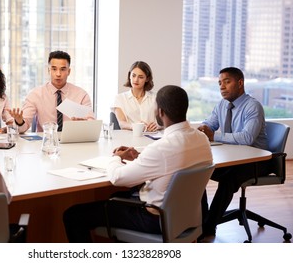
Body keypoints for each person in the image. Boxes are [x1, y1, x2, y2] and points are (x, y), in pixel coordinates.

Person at [63, 85, 213, 242]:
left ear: (160, 112)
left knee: (73, 215)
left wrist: (116, 157)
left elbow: (118, 178)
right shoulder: (201, 139)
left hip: (155, 219)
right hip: (186, 215)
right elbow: (173, 161)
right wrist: (142, 158)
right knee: (116, 197)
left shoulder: (161, 148)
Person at [197, 67, 268, 238]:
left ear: (240, 83)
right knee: (198, 171)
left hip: (257, 161)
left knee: (229, 178)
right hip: (234, 158)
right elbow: (210, 124)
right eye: (220, 83)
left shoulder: (253, 106)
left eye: (227, 82)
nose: (222, 86)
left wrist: (214, 135)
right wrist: (202, 129)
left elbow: (247, 138)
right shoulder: (222, 104)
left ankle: (208, 227)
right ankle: (202, 220)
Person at [10, 50, 94, 133]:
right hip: (46, 142)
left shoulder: (81, 94)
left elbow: (92, 125)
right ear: (48, 70)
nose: (58, 74)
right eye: (54, 69)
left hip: (74, 141)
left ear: (69, 71)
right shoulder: (35, 95)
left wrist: (84, 124)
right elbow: (22, 129)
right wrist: (19, 121)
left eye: (63, 69)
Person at [113, 61, 160, 132]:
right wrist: (136, 126)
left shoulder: (156, 97)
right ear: (129, 76)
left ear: (147, 79)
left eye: (140, 77)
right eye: (133, 75)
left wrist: (157, 126)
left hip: (152, 136)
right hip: (130, 138)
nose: (136, 80)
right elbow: (122, 123)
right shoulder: (120, 98)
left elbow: (164, 121)